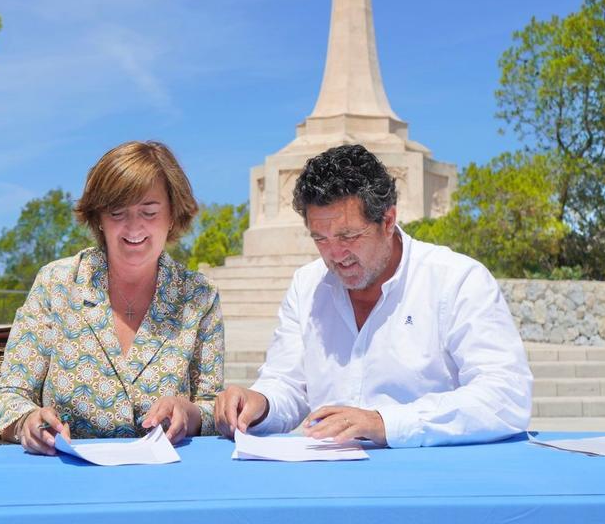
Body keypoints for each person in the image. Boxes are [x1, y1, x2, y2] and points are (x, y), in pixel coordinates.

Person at [215, 144, 532, 448]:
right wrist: (261, 402)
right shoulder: (306, 286)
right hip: (328, 478)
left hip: (431, 479)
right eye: (320, 239)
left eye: (349, 235)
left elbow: (505, 396)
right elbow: (288, 384)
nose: (336, 254)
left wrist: (386, 423)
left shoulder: (457, 280)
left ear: (388, 221)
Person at [0, 141, 224, 454]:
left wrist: (189, 412)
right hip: (67, 474)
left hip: (164, 479)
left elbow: (213, 408)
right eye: (117, 212)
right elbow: (6, 398)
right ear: (98, 218)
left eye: (149, 212)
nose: (134, 226)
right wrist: (27, 421)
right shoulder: (56, 284)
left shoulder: (199, 296)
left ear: (173, 215)